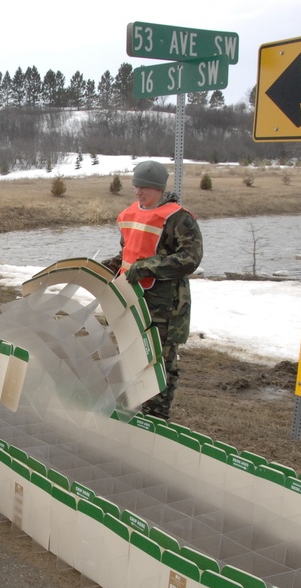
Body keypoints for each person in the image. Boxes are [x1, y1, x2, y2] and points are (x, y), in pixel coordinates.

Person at [102, 161, 203, 421]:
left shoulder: (179, 218)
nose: (138, 193)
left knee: (160, 362)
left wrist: (149, 267)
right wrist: (108, 267)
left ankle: (157, 419)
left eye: (144, 188)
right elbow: (129, 254)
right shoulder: (129, 214)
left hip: (167, 307)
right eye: (136, 187)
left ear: (158, 189)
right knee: (132, 356)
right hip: (133, 302)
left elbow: (191, 259)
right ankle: (134, 412)